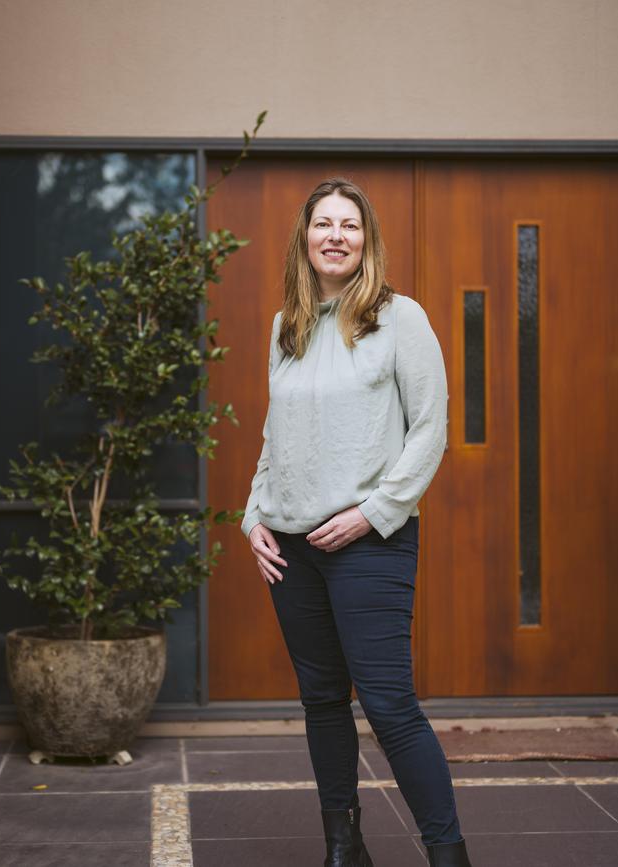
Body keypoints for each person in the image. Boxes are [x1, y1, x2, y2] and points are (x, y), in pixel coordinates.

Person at [241, 177, 474, 867]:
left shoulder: (401, 319)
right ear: (305, 239)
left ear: (367, 240)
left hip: (370, 544)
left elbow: (430, 428)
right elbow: (273, 433)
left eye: (350, 224)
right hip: (290, 549)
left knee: (390, 704)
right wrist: (254, 515)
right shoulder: (286, 326)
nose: (335, 235)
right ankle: (344, 845)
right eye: (323, 224)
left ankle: (448, 852)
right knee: (321, 700)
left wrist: (373, 513)